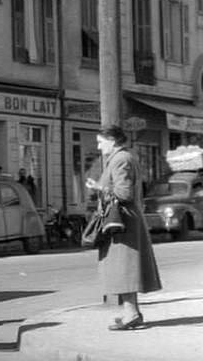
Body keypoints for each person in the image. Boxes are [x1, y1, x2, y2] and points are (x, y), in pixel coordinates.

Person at [85, 125, 162, 330]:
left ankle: (132, 313)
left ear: (112, 140)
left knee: (125, 269)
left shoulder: (121, 159)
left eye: (101, 142)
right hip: (123, 221)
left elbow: (125, 193)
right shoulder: (124, 157)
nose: (99, 147)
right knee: (124, 269)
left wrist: (99, 187)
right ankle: (131, 312)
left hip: (122, 223)